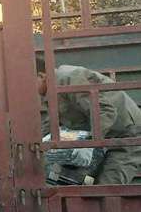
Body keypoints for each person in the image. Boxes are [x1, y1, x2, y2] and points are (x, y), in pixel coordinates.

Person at [36, 56, 141, 185]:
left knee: (108, 187)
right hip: (106, 136)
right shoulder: (52, 91)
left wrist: (89, 144)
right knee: (79, 184)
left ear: (41, 76)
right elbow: (52, 122)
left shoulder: (69, 78)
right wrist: (36, 146)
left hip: (127, 134)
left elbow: (105, 111)